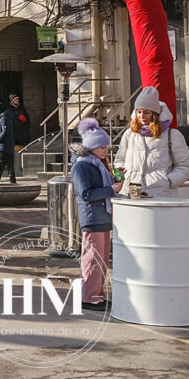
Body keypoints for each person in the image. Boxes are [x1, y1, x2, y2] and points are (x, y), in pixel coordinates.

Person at [70, 118, 119, 311]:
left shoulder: (99, 165)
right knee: (92, 259)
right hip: (92, 218)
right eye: (102, 147)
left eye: (106, 147)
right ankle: (88, 297)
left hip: (102, 218)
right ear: (92, 147)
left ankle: (96, 294)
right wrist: (110, 189)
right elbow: (85, 194)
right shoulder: (82, 166)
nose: (106, 151)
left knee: (101, 260)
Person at [116, 86, 189, 197]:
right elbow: (119, 159)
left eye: (146, 112)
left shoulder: (172, 135)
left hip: (160, 194)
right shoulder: (130, 134)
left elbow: (185, 165)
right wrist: (121, 178)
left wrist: (168, 181)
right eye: (139, 112)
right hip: (129, 192)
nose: (142, 116)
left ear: (155, 114)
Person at [0, 101, 17, 185]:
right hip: (8, 145)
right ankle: (12, 179)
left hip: (3, 145)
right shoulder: (7, 117)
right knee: (10, 164)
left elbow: (5, 131)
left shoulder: (4, 118)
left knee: (0, 163)